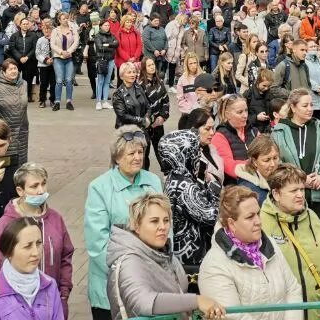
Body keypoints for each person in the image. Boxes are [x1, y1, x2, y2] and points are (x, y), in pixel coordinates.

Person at [105, 192, 224, 320]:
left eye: (166, 220)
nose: (163, 227)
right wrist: (197, 301)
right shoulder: (129, 261)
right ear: (137, 226)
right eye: (154, 221)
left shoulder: (163, 252)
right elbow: (142, 303)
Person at [84, 130, 164, 320]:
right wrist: (129, 275)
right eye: (131, 153)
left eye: (140, 152)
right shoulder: (99, 187)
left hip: (151, 281)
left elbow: (164, 228)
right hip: (112, 284)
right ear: (117, 157)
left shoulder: (153, 182)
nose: (138, 158)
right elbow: (97, 243)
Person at [199, 185, 301, 320]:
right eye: (250, 217)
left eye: (258, 214)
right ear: (231, 223)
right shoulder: (214, 265)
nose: (258, 222)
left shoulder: (270, 245)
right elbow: (232, 316)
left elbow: (293, 290)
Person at [0, 163, 74, 315]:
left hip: (51, 303)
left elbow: (66, 256)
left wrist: (63, 293)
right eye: (34, 186)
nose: (41, 190)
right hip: (16, 309)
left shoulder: (56, 219)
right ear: (20, 190)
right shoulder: (5, 224)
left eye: (43, 184)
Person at [259, 164, 320, 320]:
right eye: (293, 191)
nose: (300, 195)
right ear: (276, 194)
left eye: (302, 189)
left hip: (317, 312)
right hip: (283, 314)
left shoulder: (312, 217)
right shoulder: (261, 223)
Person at [157, 128, 221, 282]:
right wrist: (213, 187)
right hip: (190, 257)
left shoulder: (175, 177)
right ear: (184, 154)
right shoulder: (184, 185)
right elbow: (211, 215)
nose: (198, 155)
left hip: (181, 251)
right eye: (194, 150)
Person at [270, 89, 320, 221]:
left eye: (311, 105)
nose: (310, 109)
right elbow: (276, 164)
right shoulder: (279, 132)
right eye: (305, 106)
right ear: (293, 107)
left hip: (317, 196)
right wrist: (300, 179)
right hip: (290, 197)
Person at [0, 218, 63, 320]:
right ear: (9, 252)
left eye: (38, 243)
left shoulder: (50, 286)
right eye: (27, 246)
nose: (36, 253)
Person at [0, 59, 30, 169]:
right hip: (4, 132)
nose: (13, 71)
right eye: (10, 69)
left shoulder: (24, 84)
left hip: (22, 130)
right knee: (4, 164)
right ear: (4, 71)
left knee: (21, 163)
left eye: (15, 68)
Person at [210, 96, 257, 186]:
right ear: (227, 114)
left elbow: (266, 152)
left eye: (246, 110)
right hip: (236, 187)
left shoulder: (253, 131)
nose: (245, 115)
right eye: (240, 112)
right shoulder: (220, 136)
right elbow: (229, 167)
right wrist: (257, 165)